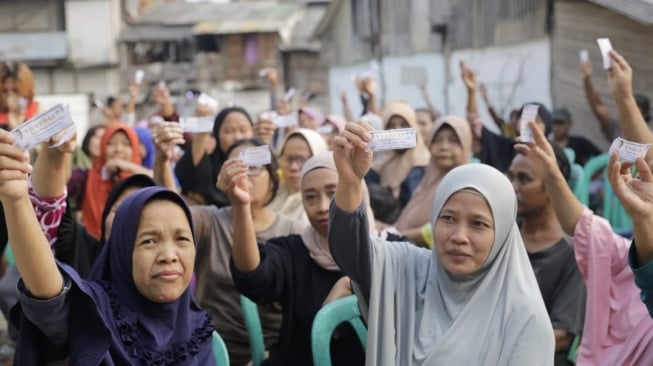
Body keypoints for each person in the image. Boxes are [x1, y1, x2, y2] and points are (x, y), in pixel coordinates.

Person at [329, 120, 554, 365]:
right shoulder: (411, 270)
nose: (459, 235)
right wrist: (350, 183)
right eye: (447, 218)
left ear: (501, 233)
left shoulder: (525, 319)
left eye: (478, 224)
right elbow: (351, 250)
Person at [0, 130, 215, 363]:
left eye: (182, 239)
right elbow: (49, 291)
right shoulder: (95, 314)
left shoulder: (200, 328)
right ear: (122, 246)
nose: (169, 255)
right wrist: (16, 200)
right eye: (148, 240)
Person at [515, 116, 653, 365]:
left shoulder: (566, 255)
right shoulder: (625, 259)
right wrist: (552, 172)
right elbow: (585, 229)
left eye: (524, 179)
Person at [231, 152, 365, 365]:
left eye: (333, 192)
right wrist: (241, 207)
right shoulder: (292, 251)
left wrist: (353, 284)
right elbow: (254, 279)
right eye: (310, 197)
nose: (322, 206)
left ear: (357, 189)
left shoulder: (385, 253)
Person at [508, 146, 586, 365]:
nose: (513, 187)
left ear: (553, 186)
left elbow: (561, 335)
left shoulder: (574, 253)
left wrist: (497, 348)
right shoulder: (500, 235)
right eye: (511, 176)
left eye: (524, 179)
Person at [393, 116, 472, 247]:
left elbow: (436, 230)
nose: (444, 147)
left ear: (466, 144)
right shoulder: (425, 183)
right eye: (437, 140)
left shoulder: (465, 186)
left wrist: (395, 236)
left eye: (453, 140)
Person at [67, 124, 149, 239]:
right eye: (110, 143)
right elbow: (61, 182)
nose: (118, 149)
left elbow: (161, 185)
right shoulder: (86, 177)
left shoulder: (142, 182)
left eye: (126, 144)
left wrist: (128, 166)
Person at [174, 106, 254, 207]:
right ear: (217, 134)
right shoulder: (206, 161)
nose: (237, 137)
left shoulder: (260, 164)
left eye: (243, 130)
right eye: (229, 131)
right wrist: (202, 131)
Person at [365, 100, 431, 209]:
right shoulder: (381, 166)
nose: (397, 130)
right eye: (391, 126)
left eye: (403, 125)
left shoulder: (424, 165)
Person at [581, 56, 650, 142]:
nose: (630, 110)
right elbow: (598, 107)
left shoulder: (649, 139)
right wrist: (587, 81)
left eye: (636, 108)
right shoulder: (617, 128)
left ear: (645, 115)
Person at [267, 128, 328, 224]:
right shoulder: (270, 194)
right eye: (288, 159)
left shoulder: (328, 204)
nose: (293, 167)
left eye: (302, 159)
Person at [0, 62, 39, 131]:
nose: (10, 95)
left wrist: (20, 114)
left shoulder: (37, 110)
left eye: (15, 91)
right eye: (5, 91)